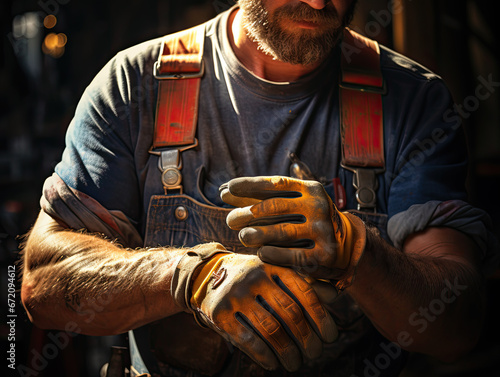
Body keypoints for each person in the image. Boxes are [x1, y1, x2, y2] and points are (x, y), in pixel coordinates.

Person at [21, 1, 499, 376]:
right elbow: (42, 286)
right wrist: (190, 276)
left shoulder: (414, 101)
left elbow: (456, 328)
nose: (317, 2)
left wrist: (359, 252)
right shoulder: (135, 86)